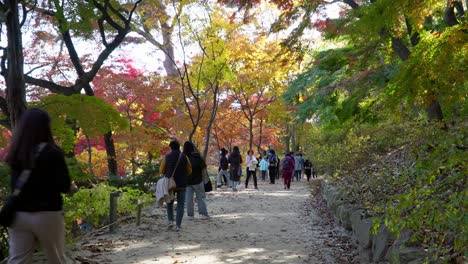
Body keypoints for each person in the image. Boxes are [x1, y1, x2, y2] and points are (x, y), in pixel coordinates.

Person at [5, 108, 71, 264]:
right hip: (48, 214)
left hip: (18, 215)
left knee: (17, 260)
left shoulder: (16, 153)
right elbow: (64, 185)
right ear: (45, 126)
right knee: (57, 258)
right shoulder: (53, 152)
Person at [160, 140, 192, 231]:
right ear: (179, 147)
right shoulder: (184, 157)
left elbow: (161, 170)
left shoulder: (167, 157)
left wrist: (168, 173)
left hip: (170, 184)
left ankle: (170, 221)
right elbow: (189, 170)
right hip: (182, 184)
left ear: (171, 147)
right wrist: (184, 175)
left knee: (169, 202)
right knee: (181, 204)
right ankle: (178, 225)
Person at [183, 141, 209, 220]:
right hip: (198, 180)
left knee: (188, 199)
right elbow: (204, 167)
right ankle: (203, 214)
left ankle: (190, 215)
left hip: (187, 182)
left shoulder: (183, 157)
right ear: (192, 148)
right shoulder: (197, 157)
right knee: (201, 197)